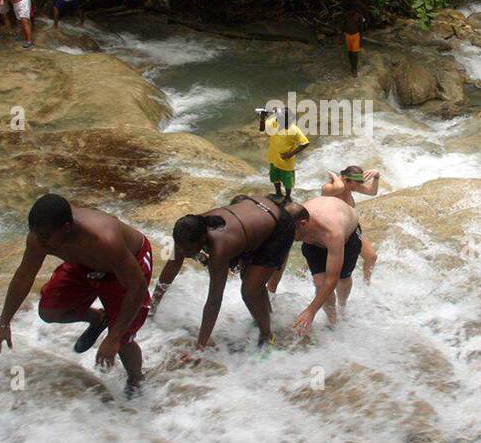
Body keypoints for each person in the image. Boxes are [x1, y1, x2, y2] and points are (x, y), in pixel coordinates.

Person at [0, 195, 153, 390]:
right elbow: (23, 277)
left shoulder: (104, 240)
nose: (39, 242)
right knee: (50, 311)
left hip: (128, 265)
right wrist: (4, 322)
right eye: (35, 234)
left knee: (123, 340)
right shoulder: (39, 238)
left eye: (45, 237)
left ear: (66, 228)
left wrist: (114, 338)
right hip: (85, 264)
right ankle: (97, 319)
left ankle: (136, 380)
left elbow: (136, 288)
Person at [152, 195, 303, 349]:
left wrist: (200, 347)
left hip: (279, 227)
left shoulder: (220, 248)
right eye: (181, 247)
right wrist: (152, 307)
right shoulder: (188, 231)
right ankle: (267, 316)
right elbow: (171, 267)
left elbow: (214, 299)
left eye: (189, 249)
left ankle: (267, 335)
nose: (183, 252)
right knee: (249, 278)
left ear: (202, 239)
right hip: (257, 211)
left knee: (250, 290)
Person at [291, 195, 362, 338]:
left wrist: (311, 311)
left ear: (303, 224)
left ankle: (342, 306)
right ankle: (332, 321)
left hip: (347, 240)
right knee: (319, 283)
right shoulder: (293, 222)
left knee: (342, 279)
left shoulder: (333, 232)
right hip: (313, 242)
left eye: (290, 232)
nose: (287, 236)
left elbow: (332, 280)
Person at [321, 165, 380, 282]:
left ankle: (366, 284)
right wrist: (335, 177)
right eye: (355, 184)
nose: (357, 187)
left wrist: (376, 176)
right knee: (328, 265)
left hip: (351, 227)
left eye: (359, 184)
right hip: (332, 229)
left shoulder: (351, 185)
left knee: (371, 257)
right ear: (344, 179)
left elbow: (372, 192)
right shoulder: (329, 188)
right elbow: (339, 187)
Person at [259, 105, 309, 200]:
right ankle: (278, 193)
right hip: (274, 157)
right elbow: (262, 129)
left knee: (287, 181)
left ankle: (288, 197)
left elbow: (305, 143)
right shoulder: (274, 123)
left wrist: (290, 154)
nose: (277, 120)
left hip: (286, 162)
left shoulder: (294, 130)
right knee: (275, 177)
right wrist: (262, 118)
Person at [342, 4, 364, 76]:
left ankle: (354, 69)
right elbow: (343, 26)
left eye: (352, 9)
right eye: (349, 9)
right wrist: (341, 37)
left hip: (355, 35)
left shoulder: (359, 16)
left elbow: (361, 29)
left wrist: (361, 40)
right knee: (350, 52)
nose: (351, 11)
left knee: (354, 53)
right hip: (347, 35)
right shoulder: (345, 15)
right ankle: (352, 66)